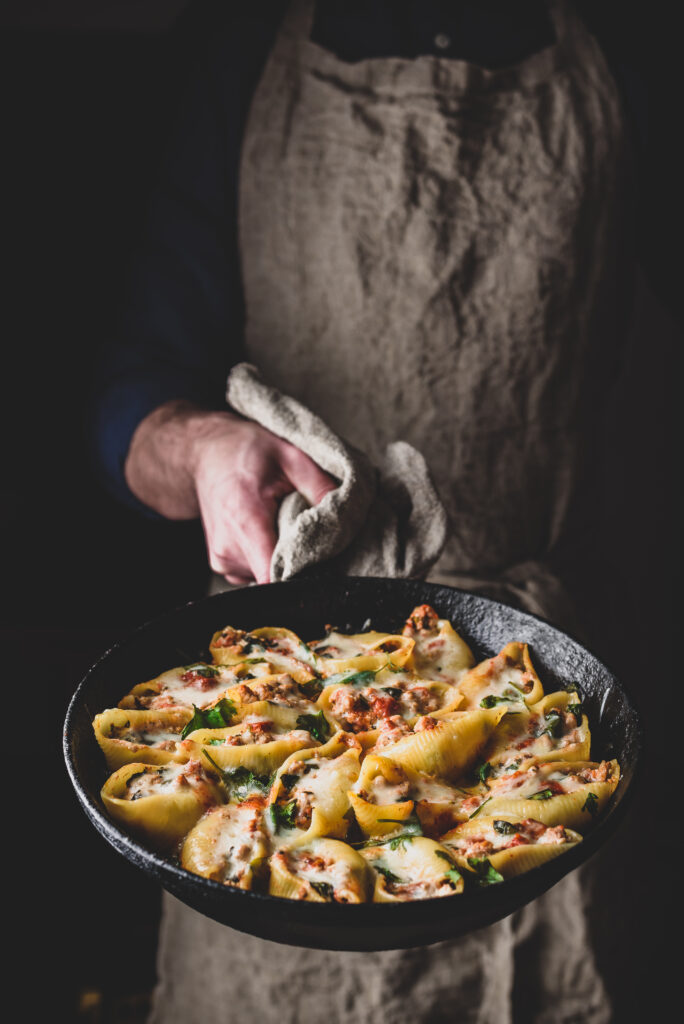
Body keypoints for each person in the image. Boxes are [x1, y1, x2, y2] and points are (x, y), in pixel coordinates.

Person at [93, 2, 661, 1020]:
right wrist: (209, 446)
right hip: (281, 650)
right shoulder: (243, 45)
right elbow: (130, 400)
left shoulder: (626, 44)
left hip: (546, 671)